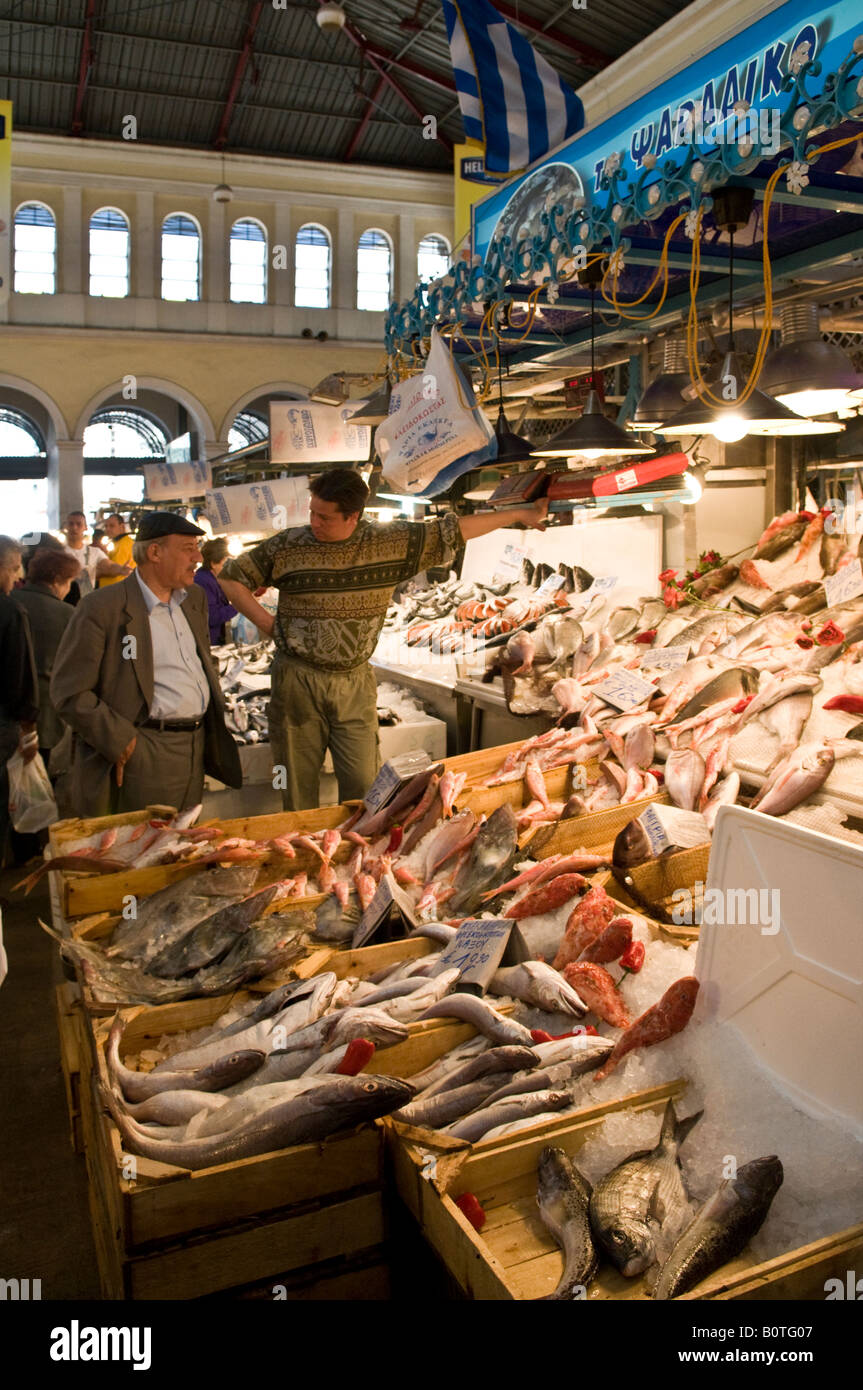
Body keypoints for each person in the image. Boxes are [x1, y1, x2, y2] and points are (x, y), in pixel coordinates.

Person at [217, 467, 548, 810]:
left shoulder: (389, 543)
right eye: (312, 512)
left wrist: (517, 514)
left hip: (355, 682)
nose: (314, 522)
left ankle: (358, 855)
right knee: (290, 779)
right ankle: (297, 844)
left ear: (353, 517)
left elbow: (454, 531)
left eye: (325, 517)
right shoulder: (286, 545)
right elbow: (231, 577)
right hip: (296, 680)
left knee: (365, 787)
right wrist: (267, 623)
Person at [51, 513, 241, 817]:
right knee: (141, 849)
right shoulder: (102, 608)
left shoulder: (194, 599)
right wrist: (120, 740)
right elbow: (69, 691)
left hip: (194, 746)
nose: (197, 557)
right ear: (155, 552)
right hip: (144, 749)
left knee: (182, 849)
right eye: (188, 548)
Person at [0, 537, 39, 866]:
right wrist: (29, 730)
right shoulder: (11, 611)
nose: (16, 577)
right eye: (13, 569)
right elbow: (20, 676)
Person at [63, 510, 131, 599]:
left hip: (86, 602)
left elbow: (109, 566)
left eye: (79, 524)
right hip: (63, 602)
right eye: (71, 524)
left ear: (85, 527)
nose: (74, 527)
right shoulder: (57, 552)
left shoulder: (94, 552)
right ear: (66, 526)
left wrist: (120, 569)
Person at [194, 537, 238, 646]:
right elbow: (213, 617)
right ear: (213, 563)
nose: (229, 568)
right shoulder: (203, 581)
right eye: (225, 563)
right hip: (209, 641)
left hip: (217, 637)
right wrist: (239, 605)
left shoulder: (214, 577)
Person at [97, 512, 135, 587]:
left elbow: (112, 569)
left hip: (115, 591)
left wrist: (97, 570)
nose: (107, 529)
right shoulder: (119, 543)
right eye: (106, 526)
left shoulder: (123, 544)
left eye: (112, 526)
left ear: (122, 527)